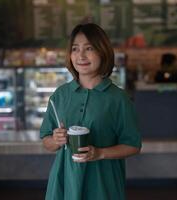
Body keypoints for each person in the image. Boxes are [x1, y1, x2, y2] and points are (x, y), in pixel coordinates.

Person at [40, 23, 142, 200]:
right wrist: (55, 140)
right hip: (64, 184)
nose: (81, 55)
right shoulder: (60, 95)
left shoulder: (118, 98)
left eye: (89, 48)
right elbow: (46, 141)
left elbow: (133, 145)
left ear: (102, 52)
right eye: (75, 49)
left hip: (102, 186)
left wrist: (100, 153)